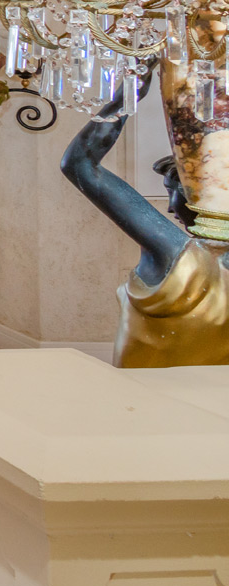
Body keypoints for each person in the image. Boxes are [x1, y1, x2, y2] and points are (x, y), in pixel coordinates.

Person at [60, 72, 229, 367]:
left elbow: (80, 165)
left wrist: (130, 91)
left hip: (146, 400)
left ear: (196, 194)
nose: (168, 209)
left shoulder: (179, 255)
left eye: (171, 192)